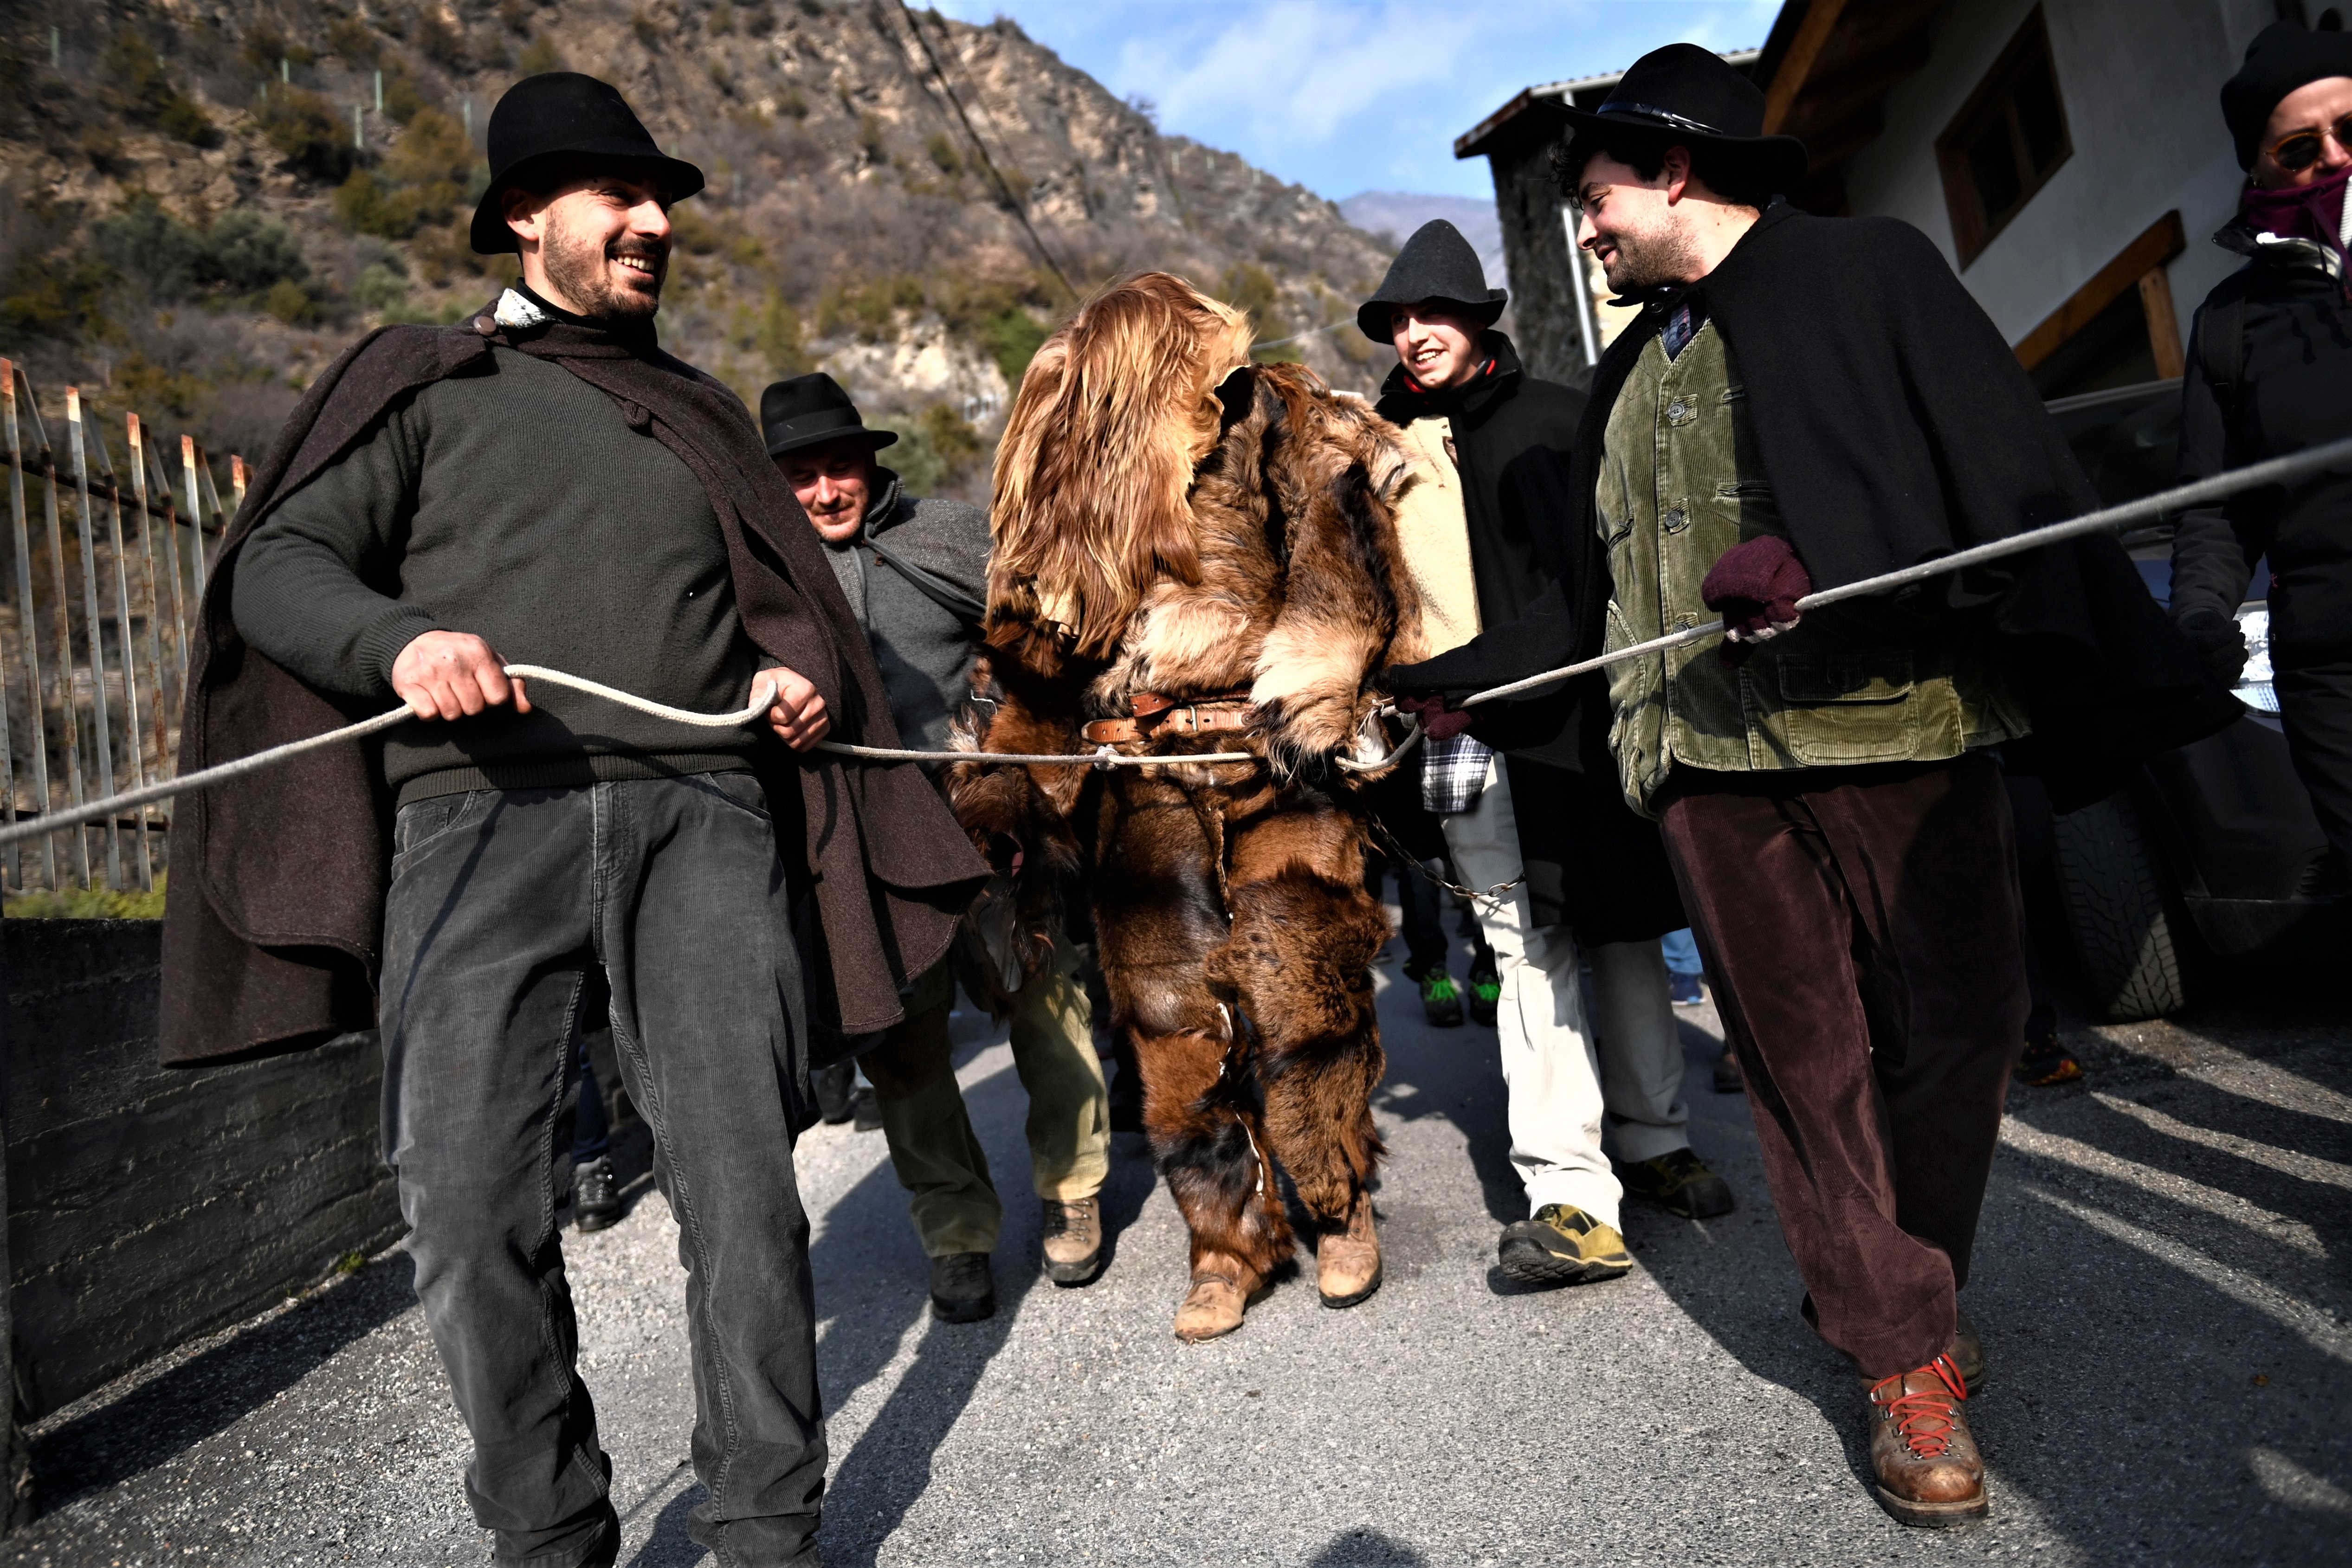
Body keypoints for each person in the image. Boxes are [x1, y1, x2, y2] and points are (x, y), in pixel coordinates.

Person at [1385, 44, 2232, 1527]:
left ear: (1674, 172)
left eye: (1597, 197)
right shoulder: (1620, 385)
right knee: (1799, 1064)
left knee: (1962, 1031)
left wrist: (1834, 568)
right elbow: (1595, 605)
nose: (1585, 229)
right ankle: (1899, 1351)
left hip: (1899, 730)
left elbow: (1990, 478)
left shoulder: (1867, 272)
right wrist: (1451, 677)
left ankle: (1910, 1280)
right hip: (1709, 770)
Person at [165, 73, 986, 1568]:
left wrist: (791, 678)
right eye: (620, 194)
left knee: (742, 1190)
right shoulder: (426, 384)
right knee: (463, 1203)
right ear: (525, 216)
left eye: (662, 198)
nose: (655, 221)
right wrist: (400, 642)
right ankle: (548, 1529)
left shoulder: (696, 416)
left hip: (703, 819)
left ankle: (765, 1521)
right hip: (472, 823)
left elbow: (785, 613)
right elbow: (277, 567)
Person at [1361, 220, 1734, 1294]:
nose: (1413, 333)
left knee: (1619, 927)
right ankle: (1568, 1191)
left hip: (1577, 728)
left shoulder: (1563, 419)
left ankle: (1654, 1138)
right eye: (1397, 319)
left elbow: (1606, 577)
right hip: (1458, 734)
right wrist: (1408, 690)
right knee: (1524, 948)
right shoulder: (1374, 453)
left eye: (1433, 312)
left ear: (1477, 320)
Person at [762, 372, 1114, 1323]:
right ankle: (955, 1232)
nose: (825, 492)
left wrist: (1017, 775)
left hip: (985, 827)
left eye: (840, 467)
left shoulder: (952, 537)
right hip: (864, 849)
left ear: (869, 463)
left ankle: (1072, 1189)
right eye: (801, 476)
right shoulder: (761, 576)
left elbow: (1046, 649)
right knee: (904, 1052)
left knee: (1048, 1008)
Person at [2171, 20, 2352, 889]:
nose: (2333, 158)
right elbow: (2215, 504)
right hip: (2337, 669)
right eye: (2299, 147)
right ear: (2259, 168)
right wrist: (2201, 618)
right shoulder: (2231, 322)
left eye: (2351, 130)